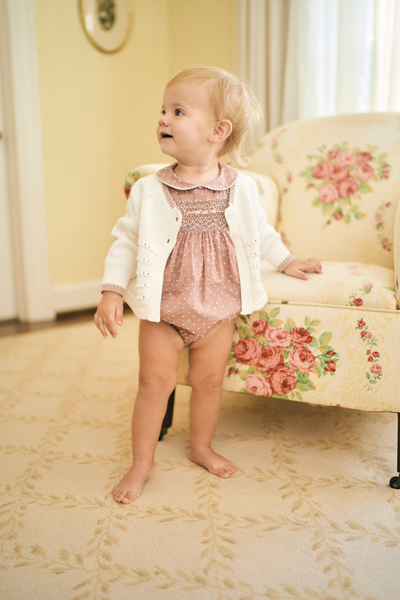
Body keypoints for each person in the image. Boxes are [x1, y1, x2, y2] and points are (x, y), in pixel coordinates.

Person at [94, 66, 322, 504]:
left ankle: (200, 446)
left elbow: (262, 235)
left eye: (178, 111)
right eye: (163, 109)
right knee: (152, 384)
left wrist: (288, 262)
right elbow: (126, 240)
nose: (163, 118)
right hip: (164, 309)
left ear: (218, 131)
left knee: (209, 382)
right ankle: (142, 463)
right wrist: (111, 291)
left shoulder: (243, 188)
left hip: (218, 309)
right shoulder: (149, 189)